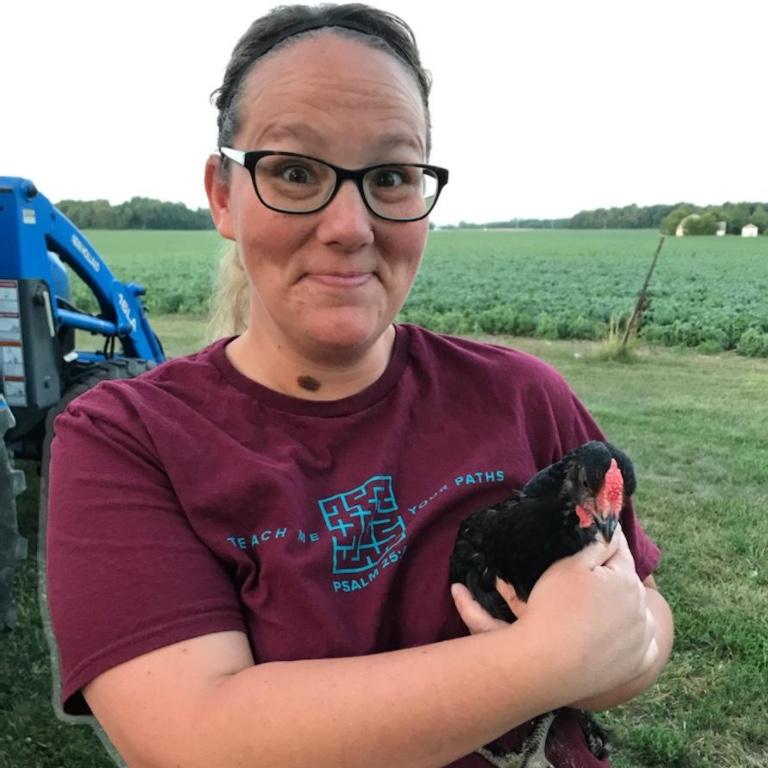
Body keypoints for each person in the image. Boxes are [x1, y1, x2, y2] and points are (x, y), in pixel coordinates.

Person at [46, 4, 673, 767]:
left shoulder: (523, 395)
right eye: (295, 172)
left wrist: (624, 650)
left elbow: (642, 606)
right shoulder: (128, 439)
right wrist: (545, 662)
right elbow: (193, 736)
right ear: (223, 195)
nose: (349, 225)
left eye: (391, 177)